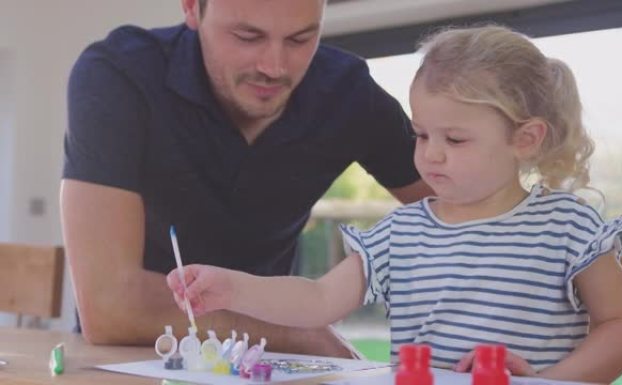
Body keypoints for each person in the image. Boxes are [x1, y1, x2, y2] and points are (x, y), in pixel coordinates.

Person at [167, 25, 622, 383]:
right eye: (421, 134)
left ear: (525, 139)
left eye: (456, 139)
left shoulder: (566, 226)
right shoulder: (401, 231)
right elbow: (318, 301)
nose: (430, 153)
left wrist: (547, 382)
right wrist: (233, 288)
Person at [60, 0, 431, 356]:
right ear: (191, 6)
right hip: (135, 357)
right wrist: (299, 333)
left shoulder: (349, 94)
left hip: (266, 365)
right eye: (247, 37)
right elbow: (109, 309)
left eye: (300, 39)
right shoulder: (120, 74)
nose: (274, 67)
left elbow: (471, 210)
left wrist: (482, 327)